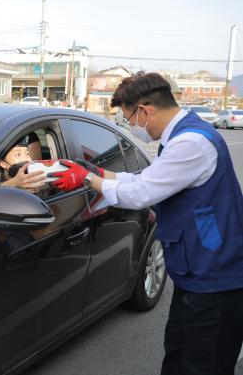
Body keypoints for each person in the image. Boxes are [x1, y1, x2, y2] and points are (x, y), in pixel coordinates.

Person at [49, 71, 243, 375]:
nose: (132, 127)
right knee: (179, 354)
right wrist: (96, 172)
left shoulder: (191, 143)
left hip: (215, 277)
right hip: (198, 272)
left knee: (204, 364)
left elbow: (140, 193)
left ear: (144, 110)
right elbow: (146, 179)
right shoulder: (183, 136)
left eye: (129, 119)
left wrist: (85, 179)